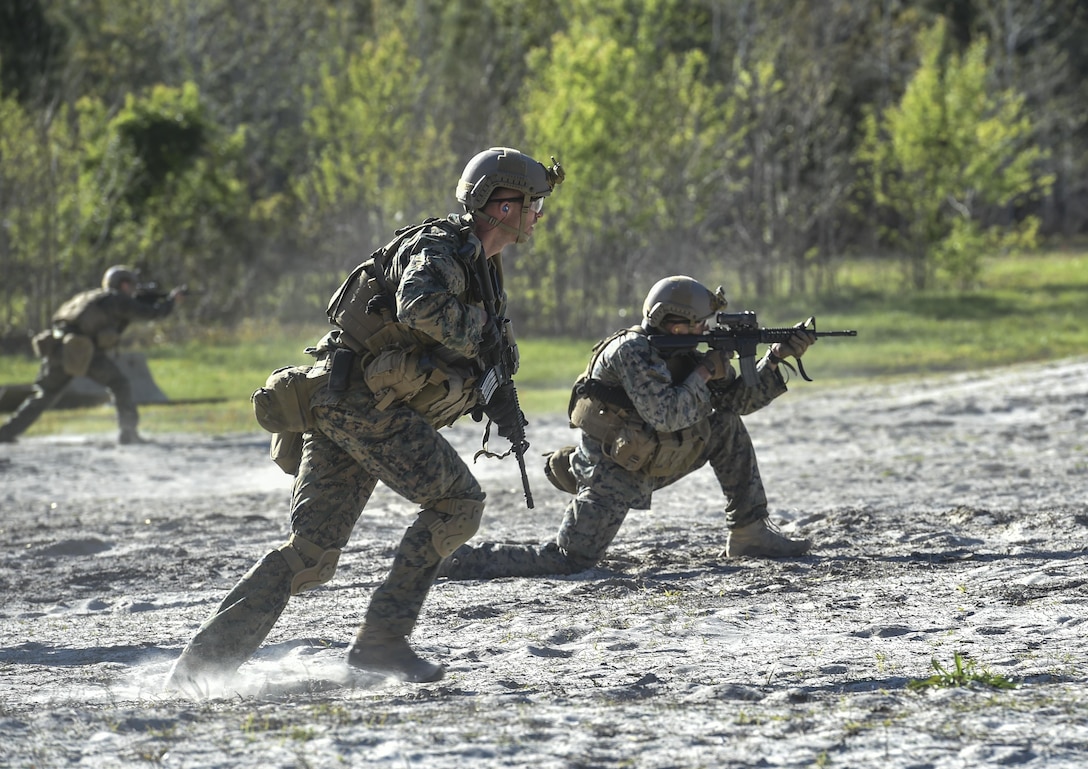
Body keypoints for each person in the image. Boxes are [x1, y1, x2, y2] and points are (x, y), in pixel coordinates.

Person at [167, 147, 564, 690]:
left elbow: (459, 346)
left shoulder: (481, 263)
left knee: (311, 556)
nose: (538, 214)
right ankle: (381, 643)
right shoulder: (442, 248)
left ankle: (197, 671)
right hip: (362, 405)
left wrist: (491, 390)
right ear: (501, 205)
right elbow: (419, 307)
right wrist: (484, 333)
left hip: (353, 405)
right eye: (533, 202)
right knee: (458, 506)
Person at [438, 275, 816, 582]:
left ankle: (749, 531)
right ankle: (459, 561)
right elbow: (666, 414)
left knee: (724, 424)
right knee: (570, 560)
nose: (705, 330)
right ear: (676, 323)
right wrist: (704, 372)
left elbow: (736, 404)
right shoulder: (632, 351)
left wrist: (776, 358)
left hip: (653, 457)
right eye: (699, 323)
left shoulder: (681, 351)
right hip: (613, 470)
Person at [0, 266, 183, 445]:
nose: (133, 289)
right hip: (82, 351)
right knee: (120, 384)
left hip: (59, 348)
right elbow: (151, 313)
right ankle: (129, 432)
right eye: (131, 285)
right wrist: (172, 302)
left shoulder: (91, 297)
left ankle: (6, 432)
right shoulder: (117, 299)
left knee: (44, 395)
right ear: (123, 285)